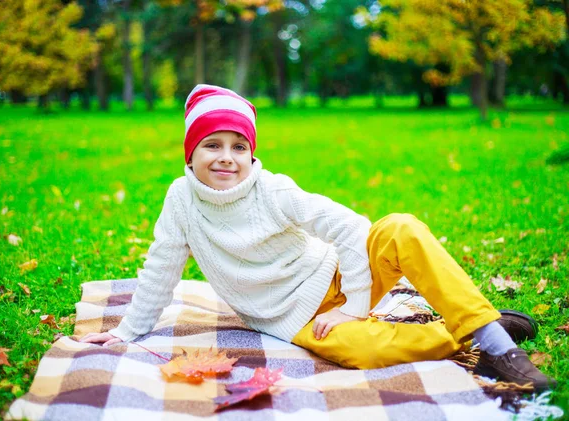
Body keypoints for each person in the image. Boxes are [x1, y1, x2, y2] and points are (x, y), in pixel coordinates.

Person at [80, 84, 556, 391]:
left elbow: (350, 227)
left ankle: (496, 345)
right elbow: (161, 267)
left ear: (251, 153)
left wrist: (351, 300)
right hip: (291, 318)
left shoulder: (273, 189)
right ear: (190, 152)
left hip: (336, 279)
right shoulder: (181, 201)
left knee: (400, 228)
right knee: (362, 351)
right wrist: (126, 332)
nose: (226, 157)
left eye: (238, 146)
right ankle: (463, 332)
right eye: (212, 145)